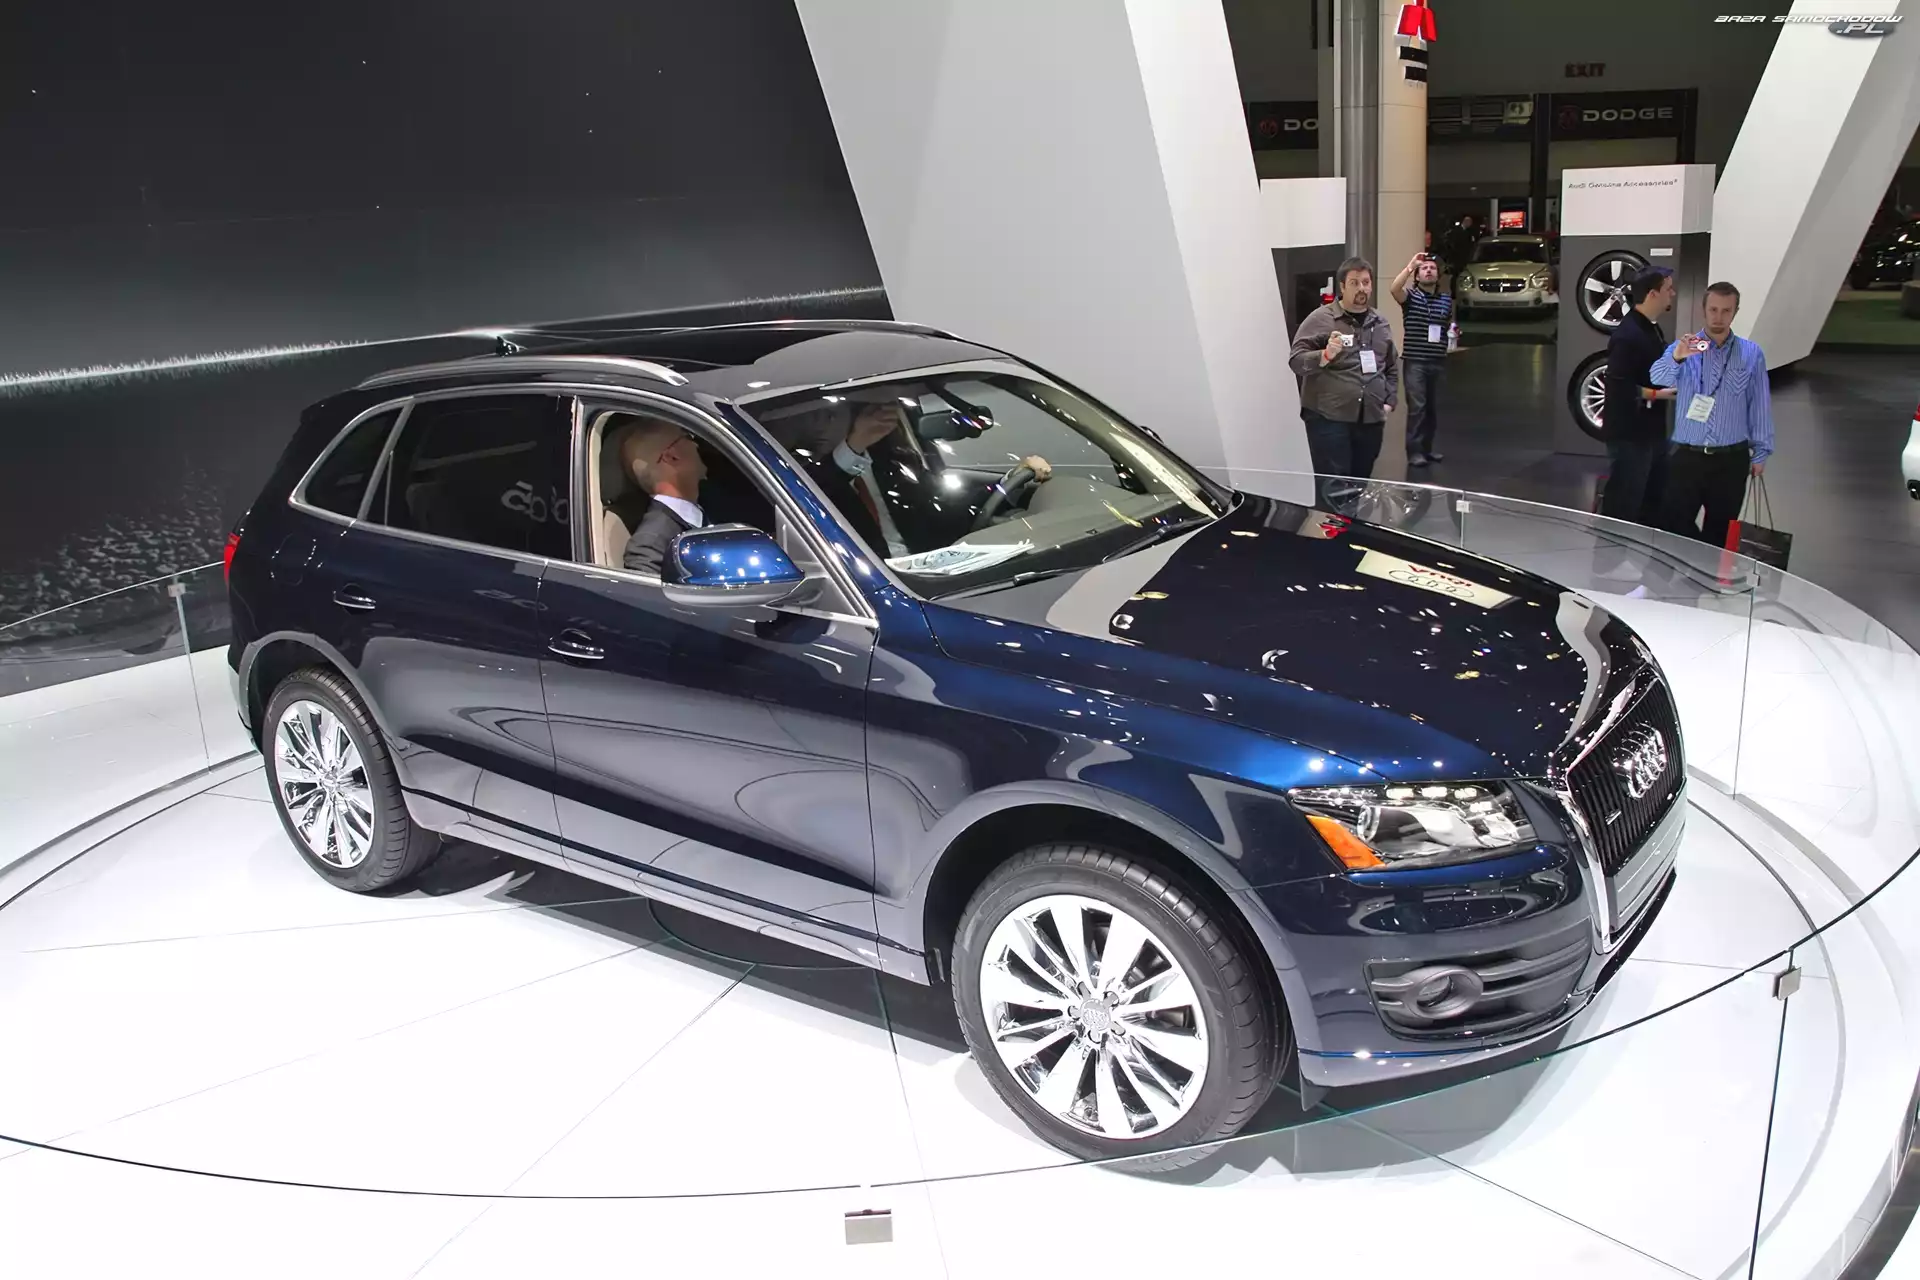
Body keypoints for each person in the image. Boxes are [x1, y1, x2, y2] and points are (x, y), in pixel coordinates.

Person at [1650, 282, 1774, 548]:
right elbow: (1657, 378)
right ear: (1703, 310)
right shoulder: (1683, 347)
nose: (1719, 317)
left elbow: (1759, 404)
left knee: (1720, 533)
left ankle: (1707, 570)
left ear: (1735, 312)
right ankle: (1686, 566)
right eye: (1713, 310)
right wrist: (1677, 357)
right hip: (1687, 457)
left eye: (1726, 311)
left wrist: (1761, 451)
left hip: (1731, 460)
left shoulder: (1751, 353)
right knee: (1673, 526)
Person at [1289, 256, 1398, 495]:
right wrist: (1324, 355)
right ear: (1342, 286)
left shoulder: (1380, 323)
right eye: (1354, 283)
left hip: (1370, 420)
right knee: (1334, 490)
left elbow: (1391, 365)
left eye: (1366, 282)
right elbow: (1296, 360)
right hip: (1329, 419)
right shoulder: (1321, 319)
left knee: (1358, 487)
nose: (1361, 289)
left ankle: (1350, 519)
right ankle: (1334, 521)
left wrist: (1389, 401)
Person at [1600, 266, 1678, 532]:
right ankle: (1610, 555)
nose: (1672, 294)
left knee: (1652, 503)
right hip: (1630, 436)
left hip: (1651, 433)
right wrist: (1661, 394)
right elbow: (1620, 388)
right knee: (1624, 506)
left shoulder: (1651, 329)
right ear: (1653, 294)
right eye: (1668, 289)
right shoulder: (1628, 335)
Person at [618, 417, 708, 575]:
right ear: (671, 457)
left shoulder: (710, 502)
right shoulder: (651, 543)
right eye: (688, 436)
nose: (696, 444)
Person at [1390, 250, 1452, 467]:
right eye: (1424, 268)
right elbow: (1394, 289)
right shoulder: (1410, 297)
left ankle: (1427, 448)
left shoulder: (1445, 300)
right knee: (1417, 407)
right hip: (1415, 361)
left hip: (1437, 360)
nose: (1428, 270)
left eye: (1432, 268)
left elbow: (1446, 327)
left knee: (1431, 409)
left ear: (1438, 274)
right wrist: (1410, 266)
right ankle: (1414, 452)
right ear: (1417, 276)